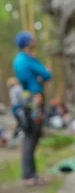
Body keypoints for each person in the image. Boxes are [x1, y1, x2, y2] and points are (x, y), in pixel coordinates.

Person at [12, 31, 52, 186]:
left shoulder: (18, 60)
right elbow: (46, 74)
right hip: (35, 99)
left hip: (27, 99)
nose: (34, 41)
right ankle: (29, 176)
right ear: (27, 42)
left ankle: (31, 175)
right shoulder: (28, 59)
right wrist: (44, 74)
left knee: (31, 134)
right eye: (31, 39)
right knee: (32, 136)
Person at [7, 77, 24, 141]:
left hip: (14, 107)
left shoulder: (12, 90)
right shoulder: (17, 88)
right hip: (18, 107)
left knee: (19, 122)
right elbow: (21, 98)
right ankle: (16, 137)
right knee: (21, 122)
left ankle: (15, 137)